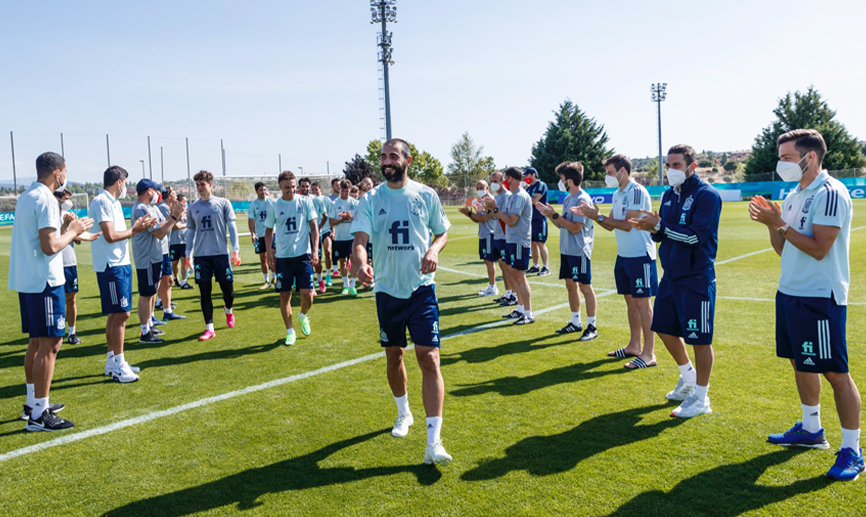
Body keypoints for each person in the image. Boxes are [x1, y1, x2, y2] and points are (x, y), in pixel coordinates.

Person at [749, 128, 863, 481]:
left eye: (785, 157)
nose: (780, 164)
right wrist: (773, 223)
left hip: (819, 296)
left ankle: (853, 451)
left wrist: (778, 222)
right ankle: (811, 430)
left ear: (808, 157)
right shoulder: (796, 193)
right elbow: (786, 248)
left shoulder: (830, 193)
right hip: (791, 292)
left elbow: (818, 248)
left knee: (835, 373)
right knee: (801, 362)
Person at [351, 138, 452, 465]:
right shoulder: (370, 199)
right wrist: (360, 260)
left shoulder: (425, 195)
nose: (386, 160)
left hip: (422, 289)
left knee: (430, 358)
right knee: (394, 356)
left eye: (393, 155)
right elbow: (360, 240)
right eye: (383, 156)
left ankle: (434, 442)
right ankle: (403, 412)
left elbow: (442, 232)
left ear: (408, 160)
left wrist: (434, 250)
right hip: (387, 291)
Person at [628, 144, 721, 418]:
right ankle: (688, 376)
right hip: (670, 275)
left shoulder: (707, 196)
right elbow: (663, 232)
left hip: (697, 277)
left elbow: (694, 237)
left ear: (692, 167)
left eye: (676, 165)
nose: (670, 170)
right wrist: (653, 227)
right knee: (664, 328)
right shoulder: (668, 195)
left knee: (699, 339)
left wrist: (660, 228)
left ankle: (701, 397)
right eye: (668, 165)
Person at [10, 152, 94, 430]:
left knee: (36, 343)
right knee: (50, 345)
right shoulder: (46, 198)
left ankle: (33, 403)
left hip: (29, 280)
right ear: (57, 172)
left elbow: (42, 238)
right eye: (64, 171)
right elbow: (49, 247)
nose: (65, 176)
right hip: (45, 282)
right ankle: (39, 415)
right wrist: (73, 229)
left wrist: (64, 229)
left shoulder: (26, 196)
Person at [576, 154, 658, 369]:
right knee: (630, 302)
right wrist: (595, 216)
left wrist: (598, 217)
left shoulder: (637, 191)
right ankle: (634, 345)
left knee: (643, 304)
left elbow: (628, 224)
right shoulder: (618, 193)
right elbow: (611, 225)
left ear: (622, 171)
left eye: (610, 172)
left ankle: (649, 354)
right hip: (624, 256)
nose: (607, 176)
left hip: (640, 255)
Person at [90, 166, 156, 383]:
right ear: (119, 182)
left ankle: (112, 362)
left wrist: (136, 228)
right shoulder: (102, 202)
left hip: (121, 263)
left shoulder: (114, 203)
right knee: (121, 314)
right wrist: (136, 229)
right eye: (125, 182)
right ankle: (119, 364)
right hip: (111, 266)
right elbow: (109, 236)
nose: (126, 186)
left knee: (116, 314)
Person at [536, 162, 597, 341]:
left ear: (569, 180)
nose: (560, 182)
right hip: (567, 250)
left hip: (579, 250)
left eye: (561, 179)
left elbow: (576, 228)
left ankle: (592, 326)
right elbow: (562, 225)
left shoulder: (581, 199)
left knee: (585, 287)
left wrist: (555, 216)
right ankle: (575, 322)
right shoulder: (569, 198)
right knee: (570, 286)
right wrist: (550, 214)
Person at [265, 171, 319, 345]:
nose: (291, 190)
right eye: (287, 187)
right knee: (284, 295)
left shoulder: (305, 202)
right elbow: (268, 232)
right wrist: (268, 253)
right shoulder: (274, 206)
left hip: (303, 256)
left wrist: (315, 250)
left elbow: (314, 227)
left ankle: (303, 315)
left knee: (307, 294)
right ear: (280, 187)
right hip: (283, 258)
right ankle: (290, 332)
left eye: (293, 186)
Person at [186, 170, 242, 341]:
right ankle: (209, 328)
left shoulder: (223, 203)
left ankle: (228, 310)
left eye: (202, 184)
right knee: (204, 291)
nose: (199, 188)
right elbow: (190, 233)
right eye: (197, 185)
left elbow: (232, 227)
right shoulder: (193, 208)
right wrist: (188, 254)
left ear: (210, 184)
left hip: (220, 255)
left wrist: (236, 250)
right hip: (202, 257)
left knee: (228, 290)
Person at [130, 179, 184, 345]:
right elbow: (160, 233)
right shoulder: (140, 209)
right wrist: (174, 217)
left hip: (154, 257)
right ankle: (145, 332)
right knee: (146, 294)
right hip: (146, 258)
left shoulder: (148, 208)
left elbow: (161, 224)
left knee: (151, 292)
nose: (158, 194)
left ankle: (149, 325)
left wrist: (173, 216)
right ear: (148, 191)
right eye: (155, 190)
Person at [483, 167, 534, 325]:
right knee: (514, 274)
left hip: (519, 241)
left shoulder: (519, 196)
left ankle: (528, 312)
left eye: (506, 177)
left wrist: (495, 209)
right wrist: (493, 208)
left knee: (520, 276)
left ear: (511, 178)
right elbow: (503, 216)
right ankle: (520, 309)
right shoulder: (513, 196)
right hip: (512, 240)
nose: (504, 180)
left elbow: (511, 220)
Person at [55, 189, 102, 345]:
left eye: (69, 199)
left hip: (69, 263)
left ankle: (72, 332)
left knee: (71, 298)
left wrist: (87, 235)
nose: (68, 202)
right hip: (54, 264)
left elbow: (77, 240)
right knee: (56, 299)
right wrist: (66, 225)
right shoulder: (50, 216)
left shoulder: (69, 215)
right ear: (57, 199)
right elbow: (56, 238)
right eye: (65, 199)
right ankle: (55, 332)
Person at [458, 179, 499, 296]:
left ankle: (493, 287)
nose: (479, 190)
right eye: (477, 188)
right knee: (487, 260)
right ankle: (492, 286)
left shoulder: (488, 200)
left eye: (481, 187)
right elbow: (477, 220)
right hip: (484, 233)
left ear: (487, 188)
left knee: (489, 260)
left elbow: (484, 218)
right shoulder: (482, 200)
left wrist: (469, 213)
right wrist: (469, 214)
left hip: (489, 233)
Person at [155, 187, 185, 321]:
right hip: (159, 250)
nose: (176, 196)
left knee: (168, 280)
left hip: (164, 249)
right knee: (158, 282)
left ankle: (166, 309)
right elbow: (171, 225)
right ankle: (156, 306)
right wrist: (179, 218)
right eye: (173, 194)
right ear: (169, 197)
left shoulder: (166, 207)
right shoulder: (163, 207)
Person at [328, 179, 359, 296]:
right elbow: (331, 222)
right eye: (343, 191)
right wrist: (342, 219)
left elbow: (359, 220)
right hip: (340, 238)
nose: (345, 193)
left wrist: (350, 218)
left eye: (347, 191)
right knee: (343, 261)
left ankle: (352, 286)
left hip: (352, 237)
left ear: (350, 190)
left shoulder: (355, 203)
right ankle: (345, 285)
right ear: (340, 190)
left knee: (353, 259)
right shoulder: (335, 204)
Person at [488, 171, 515, 306]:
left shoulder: (507, 196)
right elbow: (494, 215)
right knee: (502, 266)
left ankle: (514, 295)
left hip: (505, 236)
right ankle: (508, 293)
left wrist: (494, 210)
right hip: (497, 234)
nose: (493, 184)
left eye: (495, 181)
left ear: (502, 181)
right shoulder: (496, 197)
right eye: (491, 181)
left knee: (509, 267)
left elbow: (505, 216)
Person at [248, 182, 276, 290]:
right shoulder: (253, 205)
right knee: (263, 258)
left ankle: (275, 278)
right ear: (256, 192)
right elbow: (251, 220)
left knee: (273, 255)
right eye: (260, 190)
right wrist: (253, 234)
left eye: (264, 190)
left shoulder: (272, 202)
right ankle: (267, 281)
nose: (263, 192)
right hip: (260, 235)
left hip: (272, 233)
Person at [524, 167, 550, 276]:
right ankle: (535, 265)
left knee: (540, 242)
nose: (526, 178)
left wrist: (523, 199)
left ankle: (546, 267)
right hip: (531, 219)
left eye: (527, 175)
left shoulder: (541, 185)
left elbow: (534, 200)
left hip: (540, 218)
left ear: (533, 175)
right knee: (533, 243)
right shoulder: (529, 188)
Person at [310, 182, 333, 292]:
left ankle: (328, 275)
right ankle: (312, 281)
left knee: (328, 252)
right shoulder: (307, 200)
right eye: (312, 189)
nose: (314, 191)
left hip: (325, 230)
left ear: (320, 190)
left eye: (316, 189)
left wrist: (332, 229)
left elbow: (329, 215)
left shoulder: (325, 200)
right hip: (311, 233)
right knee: (311, 259)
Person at [169, 193, 193, 290]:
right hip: (174, 241)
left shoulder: (189, 212)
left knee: (184, 260)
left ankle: (184, 281)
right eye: (183, 201)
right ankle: (176, 278)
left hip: (185, 241)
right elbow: (174, 226)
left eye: (186, 201)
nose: (185, 203)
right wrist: (185, 225)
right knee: (174, 263)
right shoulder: (174, 211)